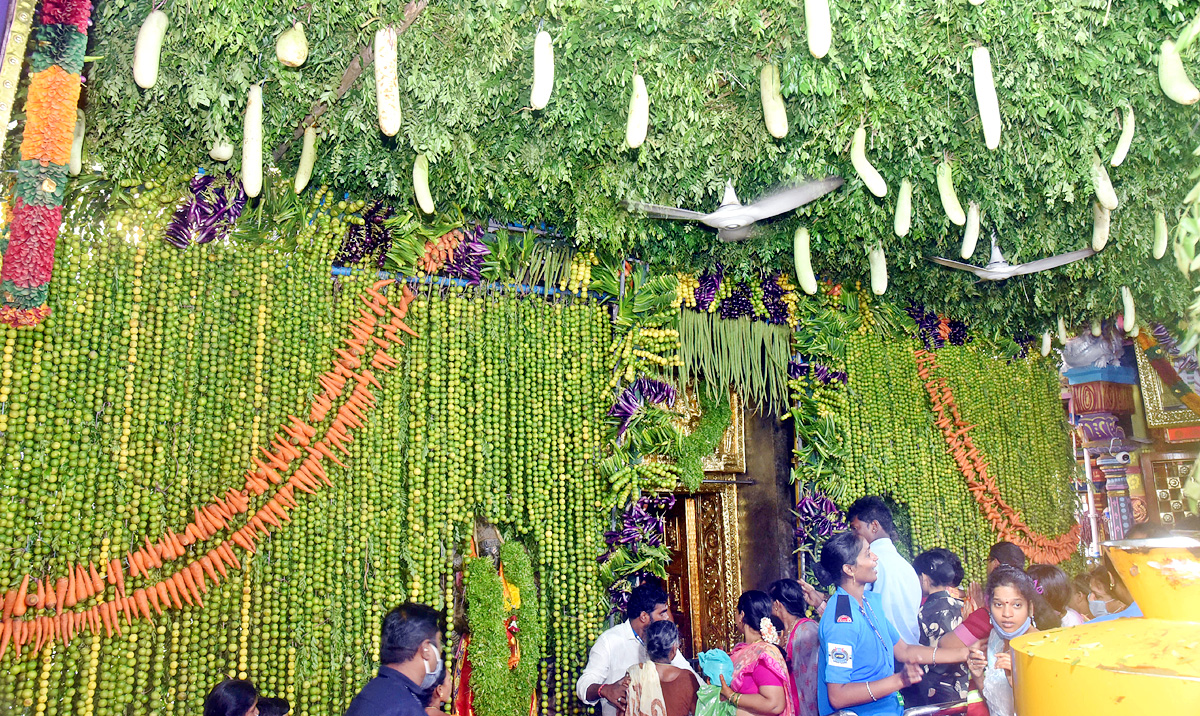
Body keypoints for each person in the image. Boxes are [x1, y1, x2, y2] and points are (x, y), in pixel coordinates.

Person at [814, 532, 969, 716]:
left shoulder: (869, 604)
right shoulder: (841, 621)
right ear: (849, 569)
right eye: (867, 554)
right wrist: (900, 680)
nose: (875, 557)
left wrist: (962, 653)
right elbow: (838, 696)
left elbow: (904, 651)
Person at [577, 583, 695, 716]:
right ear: (644, 616)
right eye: (662, 613)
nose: (667, 618)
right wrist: (605, 690)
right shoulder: (609, 642)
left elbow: (693, 681)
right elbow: (583, 685)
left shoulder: (663, 640)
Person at [966, 566, 1044, 716]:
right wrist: (978, 676)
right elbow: (994, 702)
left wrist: (1017, 683)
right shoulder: (996, 638)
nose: (1006, 614)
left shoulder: (1040, 648)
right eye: (998, 604)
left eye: (1016, 605)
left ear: (1030, 608)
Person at [344, 602, 444, 716]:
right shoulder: (405, 708)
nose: (440, 651)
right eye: (439, 643)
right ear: (426, 649)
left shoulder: (372, 692)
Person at [846, 497, 922, 646]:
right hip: (910, 653)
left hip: (882, 654)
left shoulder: (865, 565)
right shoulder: (908, 569)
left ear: (874, 526)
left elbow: (852, 610)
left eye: (855, 529)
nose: (853, 536)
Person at [716, 590, 794, 716]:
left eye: (735, 613)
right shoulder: (744, 651)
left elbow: (775, 704)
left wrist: (731, 696)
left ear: (742, 615)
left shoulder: (762, 654)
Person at [909, 548, 970, 707]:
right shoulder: (962, 606)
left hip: (938, 693)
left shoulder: (922, 613)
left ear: (923, 578)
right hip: (964, 689)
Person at [940, 541, 1027, 651]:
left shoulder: (985, 616)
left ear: (994, 563)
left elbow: (946, 644)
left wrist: (976, 613)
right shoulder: (1030, 613)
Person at [767, 579, 819, 716]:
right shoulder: (784, 633)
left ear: (777, 604)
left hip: (807, 706)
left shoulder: (807, 630)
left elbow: (811, 676)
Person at [626, 621, 700, 716]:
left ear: (648, 648)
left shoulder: (634, 674)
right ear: (674, 648)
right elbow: (700, 711)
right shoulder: (687, 678)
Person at [1087, 557, 1141, 622]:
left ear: (1111, 578)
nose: (1091, 599)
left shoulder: (1097, 624)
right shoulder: (1149, 608)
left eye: (1098, 596)